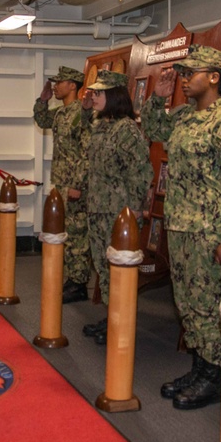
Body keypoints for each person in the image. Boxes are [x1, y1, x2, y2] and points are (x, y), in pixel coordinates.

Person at [141, 46, 221, 410]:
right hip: (181, 226)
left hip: (209, 232)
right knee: (188, 305)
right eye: (183, 73)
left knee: (207, 306)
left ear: (215, 77)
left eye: (192, 72)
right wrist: (157, 99)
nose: (185, 79)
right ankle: (200, 366)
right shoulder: (186, 117)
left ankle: (215, 374)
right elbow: (155, 129)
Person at [80, 70, 152, 345]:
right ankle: (113, 316)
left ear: (114, 96)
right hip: (98, 209)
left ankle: (121, 321)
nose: (94, 96)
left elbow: (141, 173)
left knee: (117, 271)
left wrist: (134, 211)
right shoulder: (102, 125)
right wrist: (86, 111)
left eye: (99, 93)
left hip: (117, 214)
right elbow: (85, 135)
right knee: (103, 267)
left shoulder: (126, 130)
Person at [33, 66, 92, 304]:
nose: (55, 86)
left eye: (60, 83)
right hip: (61, 181)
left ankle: (78, 283)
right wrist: (42, 100)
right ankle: (72, 278)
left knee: (77, 233)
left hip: (75, 184)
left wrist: (77, 183)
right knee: (68, 232)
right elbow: (42, 119)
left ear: (73, 86)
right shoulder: (61, 113)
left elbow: (86, 151)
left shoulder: (82, 113)